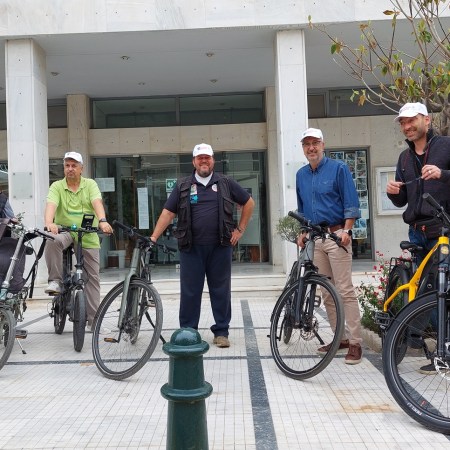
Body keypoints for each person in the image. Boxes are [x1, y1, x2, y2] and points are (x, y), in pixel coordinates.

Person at [150, 143, 255, 348]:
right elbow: (168, 212)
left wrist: (240, 230)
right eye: (200, 158)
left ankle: (221, 332)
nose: (204, 161)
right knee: (190, 291)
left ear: (213, 160)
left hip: (220, 246)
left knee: (221, 290)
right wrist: (154, 237)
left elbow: (249, 203)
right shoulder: (183, 185)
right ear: (194, 162)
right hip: (191, 248)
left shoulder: (225, 182)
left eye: (207, 157)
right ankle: (188, 332)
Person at [386, 102, 450, 374]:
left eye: (411, 120)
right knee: (424, 291)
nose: (407, 126)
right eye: (403, 122)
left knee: (441, 290)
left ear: (427, 119)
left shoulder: (446, 146)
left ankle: (444, 351)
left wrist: (442, 174)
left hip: (442, 231)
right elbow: (402, 200)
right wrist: (393, 192)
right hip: (416, 232)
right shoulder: (404, 158)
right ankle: (421, 338)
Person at [296, 128, 363, 364]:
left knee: (344, 290)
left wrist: (347, 229)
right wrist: (303, 232)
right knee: (326, 291)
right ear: (303, 148)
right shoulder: (301, 175)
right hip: (315, 239)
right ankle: (339, 338)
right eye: (307, 144)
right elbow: (302, 208)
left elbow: (351, 202)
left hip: (336, 236)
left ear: (323, 145)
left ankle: (355, 343)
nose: (311, 148)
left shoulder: (339, 169)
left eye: (315, 143)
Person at [44, 151, 113, 329]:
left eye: (74, 165)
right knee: (52, 240)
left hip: (87, 233)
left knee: (93, 278)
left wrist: (103, 221)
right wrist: (49, 223)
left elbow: (97, 202)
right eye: (67, 165)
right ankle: (55, 281)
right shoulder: (57, 186)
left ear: (81, 168)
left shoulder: (90, 184)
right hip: (65, 231)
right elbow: (51, 204)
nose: (70, 169)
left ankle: (94, 322)